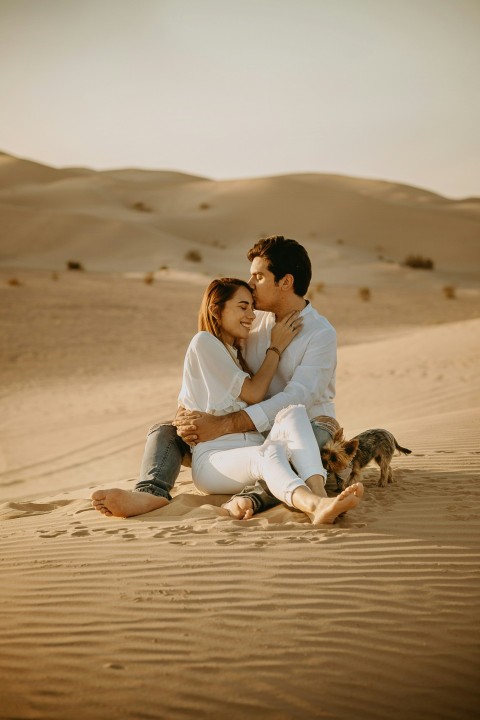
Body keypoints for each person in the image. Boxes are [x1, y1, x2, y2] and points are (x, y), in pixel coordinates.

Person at [92, 235, 353, 519]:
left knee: (299, 429)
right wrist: (189, 414)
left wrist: (224, 424)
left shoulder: (320, 334)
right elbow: (217, 371)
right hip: (250, 434)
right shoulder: (252, 323)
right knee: (165, 431)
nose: (250, 287)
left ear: (286, 282)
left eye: (258, 277)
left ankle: (259, 498)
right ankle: (150, 493)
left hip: (306, 426)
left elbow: (297, 397)